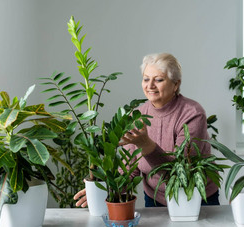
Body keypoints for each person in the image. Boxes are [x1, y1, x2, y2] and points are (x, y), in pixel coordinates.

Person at [74, 53, 219, 207]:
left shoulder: (192, 113)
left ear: (176, 84)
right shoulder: (137, 116)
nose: (150, 86)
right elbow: (128, 169)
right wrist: (102, 192)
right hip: (154, 198)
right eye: (146, 79)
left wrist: (147, 146)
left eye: (158, 80)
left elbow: (180, 173)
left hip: (193, 198)